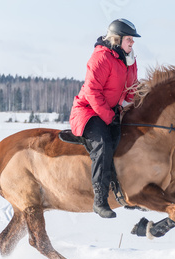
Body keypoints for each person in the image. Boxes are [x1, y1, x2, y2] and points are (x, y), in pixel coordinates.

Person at [69, 19, 140, 218]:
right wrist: (110, 117)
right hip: (88, 111)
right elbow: (92, 92)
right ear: (117, 40)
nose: (132, 43)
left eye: (133, 40)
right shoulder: (101, 58)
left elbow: (130, 93)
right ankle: (99, 200)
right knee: (103, 144)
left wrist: (132, 66)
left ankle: (123, 191)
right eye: (129, 39)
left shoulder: (127, 59)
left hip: (109, 112)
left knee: (126, 141)